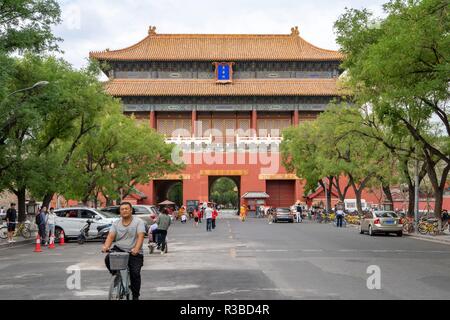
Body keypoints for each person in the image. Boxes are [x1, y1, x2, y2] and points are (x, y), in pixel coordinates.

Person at [102, 202, 145, 300]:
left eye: (126, 208)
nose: (124, 210)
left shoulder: (138, 222)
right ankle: (116, 275)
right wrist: (106, 246)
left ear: (131, 210)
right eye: (122, 209)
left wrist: (136, 249)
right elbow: (111, 236)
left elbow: (140, 236)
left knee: (135, 274)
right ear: (120, 212)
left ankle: (135, 296)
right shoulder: (116, 223)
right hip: (119, 249)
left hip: (134, 251)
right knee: (108, 259)